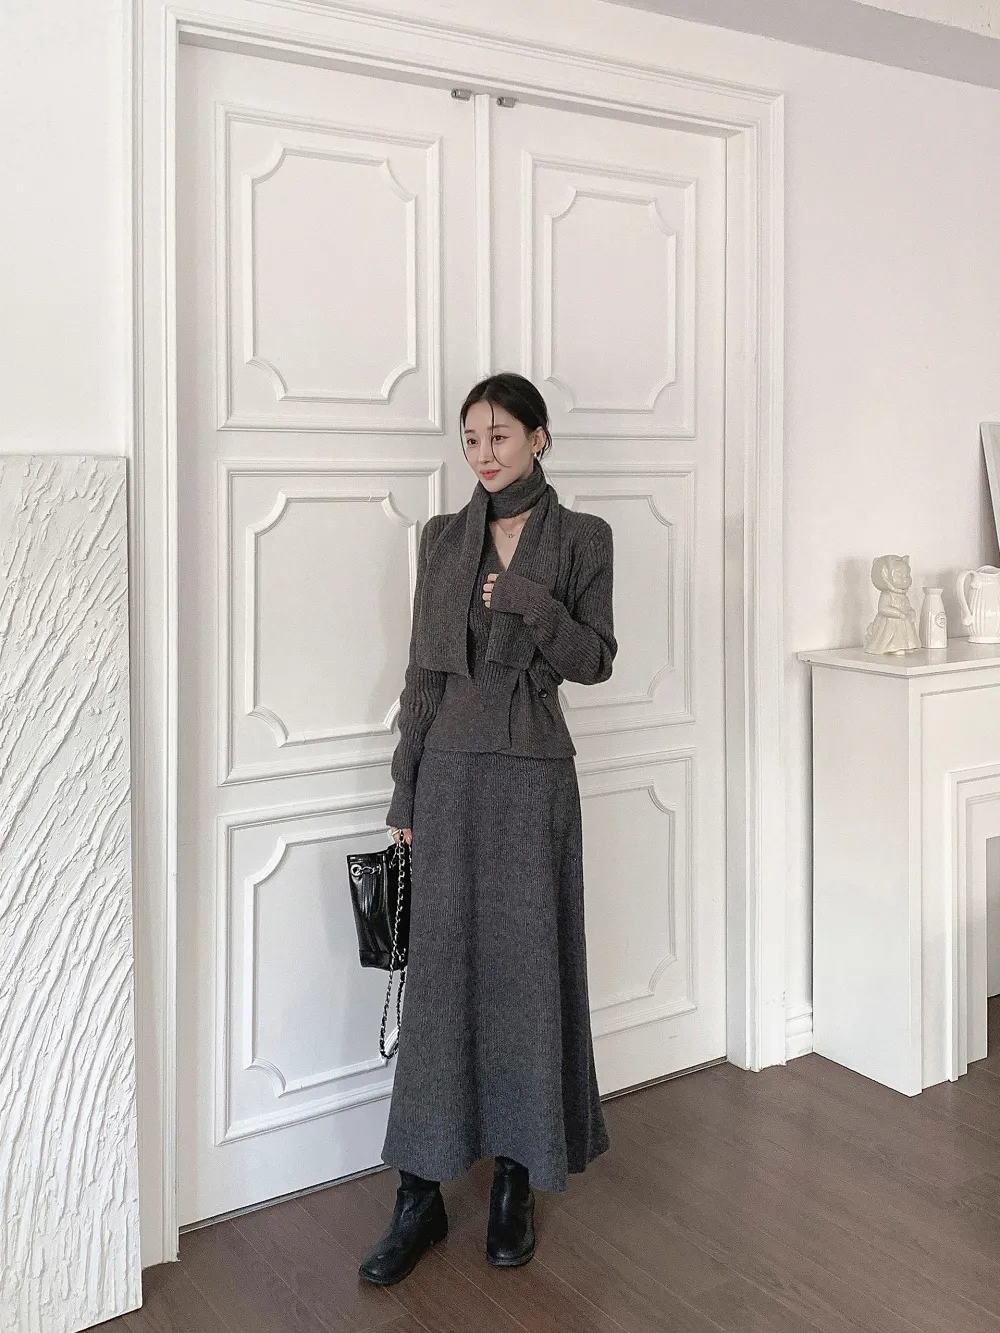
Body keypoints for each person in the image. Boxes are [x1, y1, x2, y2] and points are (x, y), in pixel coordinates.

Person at [357, 372, 617, 1286]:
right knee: (440, 985)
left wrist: (530, 601)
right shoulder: (442, 537)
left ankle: (514, 1176)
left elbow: (595, 659)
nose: (484, 454)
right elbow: (423, 674)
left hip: (535, 779)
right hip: (450, 780)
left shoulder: (583, 538)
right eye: (471, 439)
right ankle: (418, 1192)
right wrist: (405, 792)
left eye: (500, 436)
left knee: (526, 977)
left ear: (539, 438)